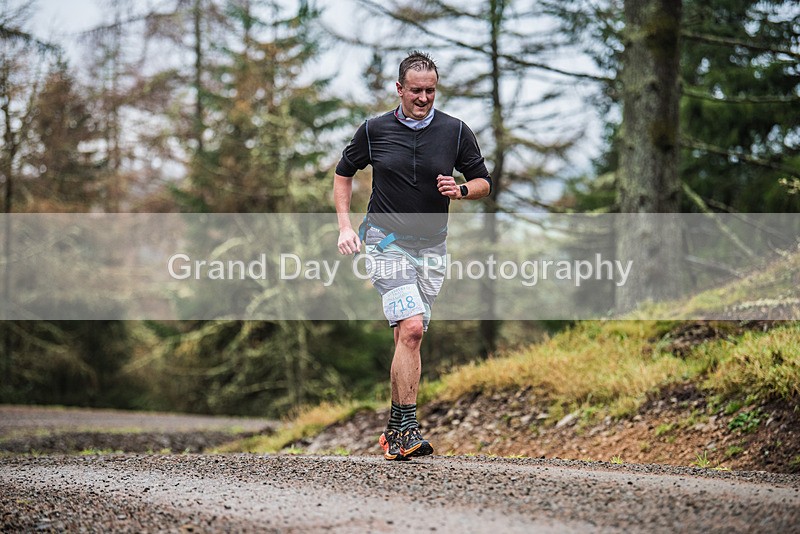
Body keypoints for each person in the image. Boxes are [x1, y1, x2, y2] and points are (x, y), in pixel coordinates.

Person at [333, 51, 492, 460]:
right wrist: (346, 227)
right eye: (416, 91)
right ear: (399, 89)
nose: (424, 98)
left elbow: (483, 182)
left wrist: (461, 190)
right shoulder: (374, 130)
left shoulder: (455, 132)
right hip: (386, 241)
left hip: (433, 247)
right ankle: (408, 429)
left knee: (408, 336)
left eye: (431, 91)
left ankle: (394, 429)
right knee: (414, 327)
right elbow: (343, 173)